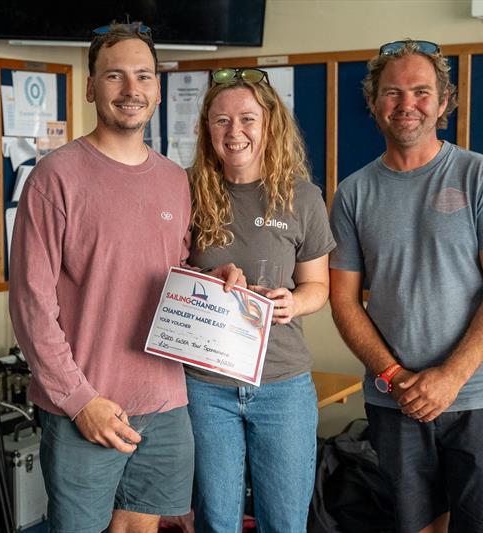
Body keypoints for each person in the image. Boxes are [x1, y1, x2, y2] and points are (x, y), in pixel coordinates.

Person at [8, 23, 244, 533]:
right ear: (91, 87)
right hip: (86, 409)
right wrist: (80, 401)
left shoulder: (174, 180)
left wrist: (212, 280)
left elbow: (170, 275)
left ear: (157, 89)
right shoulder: (55, 177)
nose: (131, 90)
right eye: (115, 76)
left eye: (143, 76)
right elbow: (31, 305)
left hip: (164, 405)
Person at [329, 40, 483, 533]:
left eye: (421, 92)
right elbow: (343, 299)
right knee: (414, 526)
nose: (406, 105)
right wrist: (395, 377)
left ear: (443, 102)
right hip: (394, 398)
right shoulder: (353, 193)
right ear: (374, 102)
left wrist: (451, 377)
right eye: (392, 92)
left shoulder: (482, 176)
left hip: (478, 397)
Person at [185, 67, 335, 532]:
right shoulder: (184, 190)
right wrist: (209, 276)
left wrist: (294, 302)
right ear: (207, 129)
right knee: (216, 521)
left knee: (285, 523)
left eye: (247, 119)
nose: (235, 133)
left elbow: (319, 287)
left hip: (282, 385)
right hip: (204, 385)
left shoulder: (303, 198)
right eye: (221, 121)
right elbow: (161, 274)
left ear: (269, 125)